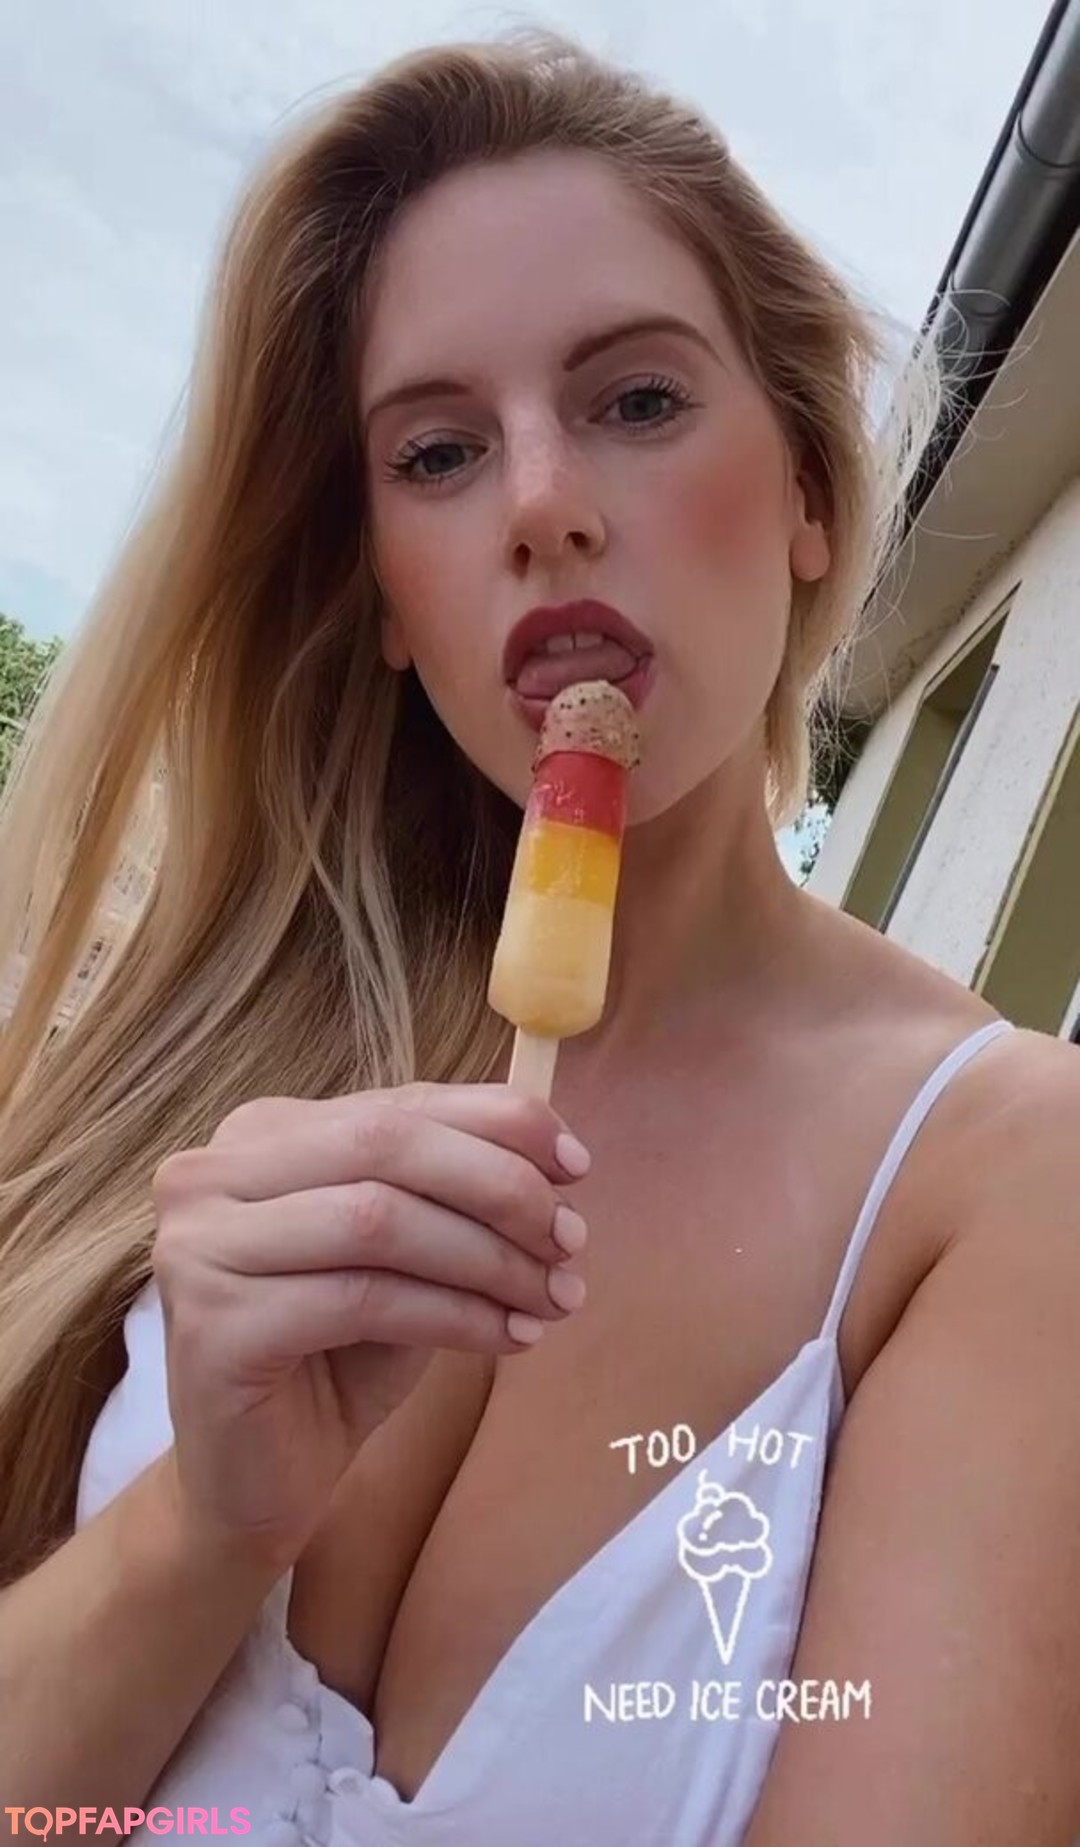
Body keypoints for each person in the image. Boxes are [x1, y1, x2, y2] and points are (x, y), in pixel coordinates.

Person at [0, 27, 1077, 1847]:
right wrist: (205, 1526)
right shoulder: (219, 1060)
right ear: (385, 598)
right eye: (436, 451)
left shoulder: (1006, 1183)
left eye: (637, 402)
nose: (540, 504)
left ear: (809, 496)